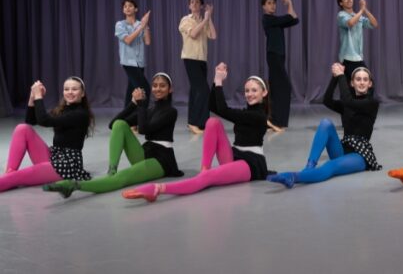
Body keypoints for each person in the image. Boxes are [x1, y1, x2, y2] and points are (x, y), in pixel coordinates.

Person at [123, 63, 270, 202]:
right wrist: (215, 80)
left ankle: (158, 189)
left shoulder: (258, 117)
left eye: (254, 90)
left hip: (250, 164)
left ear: (264, 93)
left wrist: (219, 81)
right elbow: (214, 107)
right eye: (247, 90)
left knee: (209, 177)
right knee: (212, 122)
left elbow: (224, 110)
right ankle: (204, 168)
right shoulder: (247, 113)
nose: (249, 94)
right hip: (235, 155)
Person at [43, 73, 184, 198]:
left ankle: (74, 185)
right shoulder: (149, 110)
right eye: (154, 85)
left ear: (170, 89)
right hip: (146, 151)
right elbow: (114, 124)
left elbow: (144, 130)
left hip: (161, 160)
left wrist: (141, 105)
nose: (158, 89)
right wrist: (133, 104)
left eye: (162, 86)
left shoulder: (171, 111)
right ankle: (112, 169)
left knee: (123, 178)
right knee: (120, 125)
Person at [266, 63, 381, 188]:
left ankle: (293, 176)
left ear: (370, 84)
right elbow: (327, 100)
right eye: (358, 79)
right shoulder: (348, 104)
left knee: (330, 166)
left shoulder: (372, 103)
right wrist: (335, 77)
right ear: (352, 83)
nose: (362, 82)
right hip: (343, 149)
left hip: (359, 155)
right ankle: (309, 167)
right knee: (326, 123)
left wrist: (342, 76)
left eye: (365, 80)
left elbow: (348, 101)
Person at [1, 77, 94, 192]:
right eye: (66, 89)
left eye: (74, 89)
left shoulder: (81, 114)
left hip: (67, 164)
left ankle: (8, 176)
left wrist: (39, 96)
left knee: (15, 177)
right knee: (22, 128)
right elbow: (31, 120)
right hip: (54, 156)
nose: (70, 92)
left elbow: (44, 121)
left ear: (83, 93)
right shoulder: (63, 109)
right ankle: (9, 172)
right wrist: (33, 96)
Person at [261, 0, 300, 132]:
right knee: (284, 87)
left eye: (274, 3)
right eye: (269, 3)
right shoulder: (267, 19)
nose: (273, 5)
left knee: (277, 88)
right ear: (264, 6)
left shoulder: (276, 20)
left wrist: (290, 5)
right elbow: (290, 17)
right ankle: (275, 120)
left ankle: (272, 120)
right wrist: (289, 3)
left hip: (279, 56)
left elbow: (295, 20)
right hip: (274, 56)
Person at [179, 0, 217, 134]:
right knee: (203, 90)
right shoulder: (185, 20)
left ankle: (195, 123)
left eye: (197, 2)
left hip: (202, 59)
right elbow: (194, 34)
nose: (194, 4)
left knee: (196, 91)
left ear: (201, 6)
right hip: (190, 58)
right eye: (192, 2)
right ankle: (196, 122)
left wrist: (209, 19)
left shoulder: (204, 20)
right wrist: (204, 21)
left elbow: (213, 36)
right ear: (189, 6)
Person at [115, 0, 152, 108]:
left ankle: (126, 118)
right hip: (128, 62)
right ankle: (142, 117)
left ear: (136, 9)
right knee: (144, 89)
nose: (127, 8)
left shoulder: (141, 24)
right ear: (123, 10)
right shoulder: (120, 24)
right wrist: (141, 26)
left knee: (131, 89)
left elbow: (148, 41)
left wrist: (145, 26)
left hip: (140, 62)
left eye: (130, 6)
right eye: (125, 6)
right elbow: (128, 40)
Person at [337, 0, 379, 80]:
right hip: (347, 57)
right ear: (341, 3)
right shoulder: (341, 15)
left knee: (365, 84)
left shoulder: (358, 16)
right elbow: (350, 23)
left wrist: (365, 10)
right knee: (351, 86)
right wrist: (361, 10)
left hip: (358, 56)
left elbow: (374, 24)